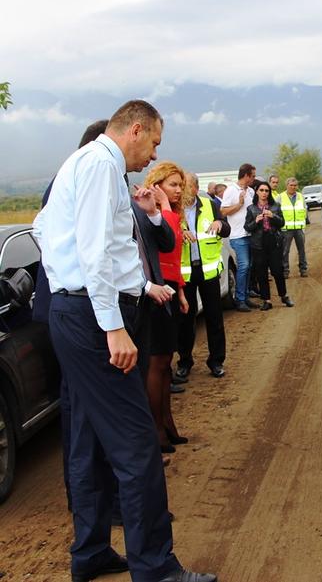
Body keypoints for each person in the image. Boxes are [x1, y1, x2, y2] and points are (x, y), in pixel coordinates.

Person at [32, 100, 215, 582]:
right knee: (137, 445)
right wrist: (112, 324)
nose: (154, 156)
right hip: (94, 321)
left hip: (80, 312)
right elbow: (94, 251)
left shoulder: (88, 164)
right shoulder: (98, 165)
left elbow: (48, 231)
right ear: (136, 129)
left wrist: (138, 286)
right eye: (154, 142)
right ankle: (155, 568)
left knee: (86, 441)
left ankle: (90, 553)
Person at [143, 162, 191, 454]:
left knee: (166, 364)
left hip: (172, 289)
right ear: (157, 184)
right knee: (156, 363)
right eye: (173, 184)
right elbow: (168, 242)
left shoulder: (170, 213)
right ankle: (156, 429)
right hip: (155, 293)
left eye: (180, 185)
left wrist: (182, 292)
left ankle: (168, 423)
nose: (178, 190)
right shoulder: (155, 214)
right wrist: (164, 208)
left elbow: (175, 258)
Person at [177, 173, 230, 380]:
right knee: (185, 320)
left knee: (214, 318)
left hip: (208, 272)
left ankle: (216, 361)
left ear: (196, 188)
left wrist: (220, 224)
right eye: (180, 186)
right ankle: (184, 362)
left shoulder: (210, 205)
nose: (182, 190)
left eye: (186, 186)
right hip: (185, 274)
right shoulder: (173, 209)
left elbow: (226, 229)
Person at [244, 181, 294, 310]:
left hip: (274, 242)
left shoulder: (275, 206)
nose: (264, 193)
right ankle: (267, 300)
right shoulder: (251, 208)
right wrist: (255, 221)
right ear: (256, 192)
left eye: (266, 191)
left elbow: (282, 223)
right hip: (258, 244)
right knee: (261, 273)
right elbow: (247, 227)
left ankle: (284, 296)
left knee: (278, 271)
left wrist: (273, 216)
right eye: (261, 190)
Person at [220, 163, 257, 311]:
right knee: (244, 266)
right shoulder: (230, 190)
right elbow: (223, 211)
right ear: (246, 175)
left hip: (251, 234)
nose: (254, 179)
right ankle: (240, 299)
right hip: (237, 236)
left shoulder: (251, 192)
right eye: (252, 176)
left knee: (249, 267)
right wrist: (239, 204)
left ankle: (246, 296)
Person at [278, 177, 309, 278]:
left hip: (299, 229)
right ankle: (285, 271)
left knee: (302, 250)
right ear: (287, 185)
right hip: (286, 229)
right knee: (285, 251)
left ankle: (303, 269)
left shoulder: (301, 196)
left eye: (295, 185)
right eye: (291, 185)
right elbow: (276, 212)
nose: (293, 187)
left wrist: (304, 223)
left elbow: (305, 210)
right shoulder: (280, 197)